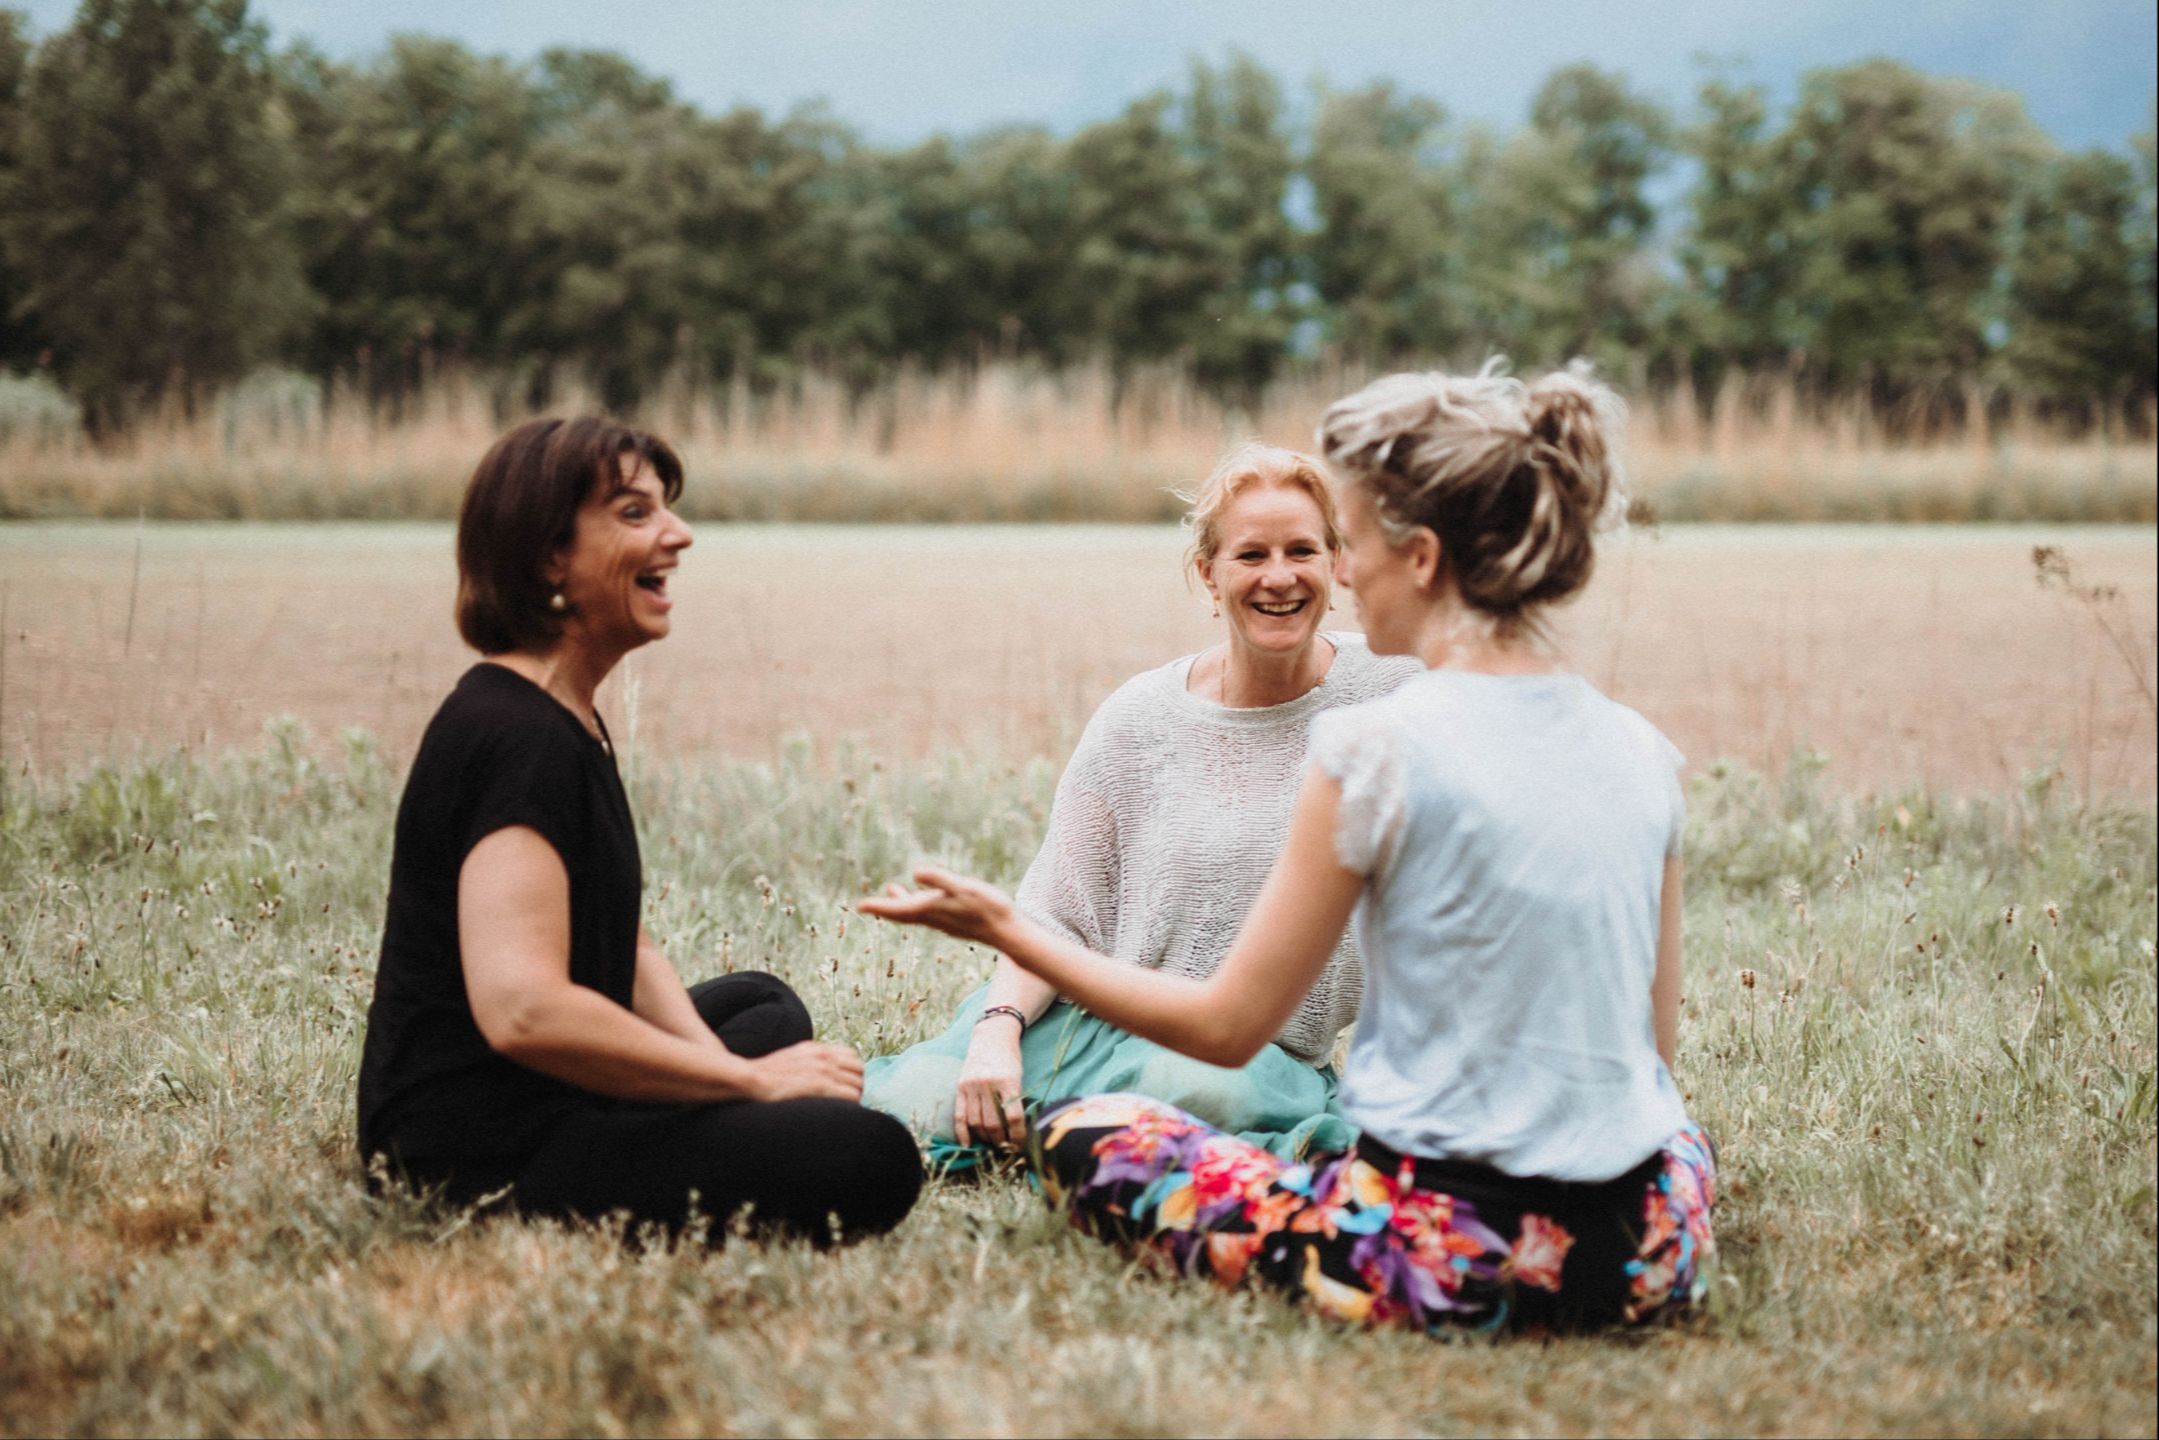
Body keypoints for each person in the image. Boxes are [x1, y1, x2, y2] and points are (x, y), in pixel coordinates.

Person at [863, 364, 1716, 1332]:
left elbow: (1229, 1028)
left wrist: (1002, 926)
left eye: (1346, 546)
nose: (1337, 575)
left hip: (1444, 1263)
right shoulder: (1642, 749)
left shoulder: (1374, 747)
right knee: (1683, 1143)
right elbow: (1652, 1065)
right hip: (1646, 1254)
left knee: (1088, 1135)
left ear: (1424, 560)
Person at [357, 417, 921, 1243]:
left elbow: (623, 947)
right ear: (549, 555)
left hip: (548, 1091)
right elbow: (522, 1011)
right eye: (633, 514)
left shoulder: (562, 711)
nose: (678, 534)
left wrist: (723, 1077)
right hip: (473, 1150)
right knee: (868, 1156)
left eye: (666, 509)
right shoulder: (516, 739)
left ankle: (696, 1097)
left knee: (764, 1004)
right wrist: (752, 1088)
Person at [861, 443, 1420, 1168]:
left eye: (1301, 551)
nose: (1278, 577)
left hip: (1242, 1055)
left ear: (1335, 563)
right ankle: (1047, 1123)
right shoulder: (1139, 718)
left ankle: (1072, 1138)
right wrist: (995, 1033)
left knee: (1176, 1095)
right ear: (1207, 576)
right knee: (922, 1107)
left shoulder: (1398, 694)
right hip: (1090, 1021)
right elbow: (1056, 914)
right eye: (1250, 555)